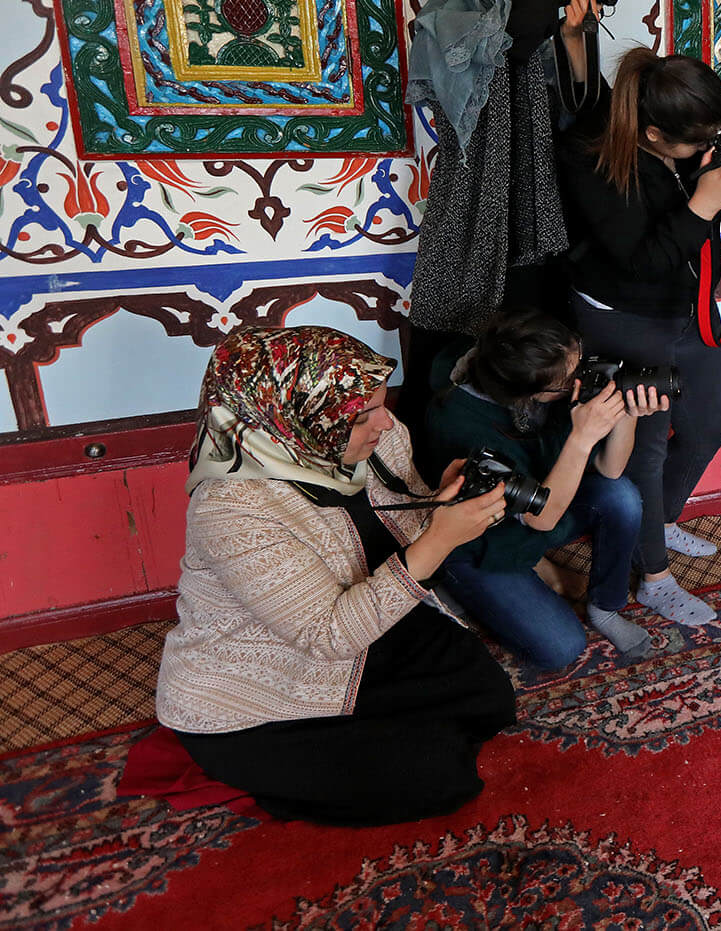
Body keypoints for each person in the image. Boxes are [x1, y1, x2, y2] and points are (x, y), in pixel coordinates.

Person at [155, 327, 516, 826]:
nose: (385, 422)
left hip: (367, 626)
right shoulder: (232, 507)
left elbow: (402, 533)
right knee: (437, 777)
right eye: (363, 415)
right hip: (262, 689)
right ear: (296, 418)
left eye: (382, 405)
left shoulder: (380, 443)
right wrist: (441, 539)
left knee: (490, 701)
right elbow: (327, 636)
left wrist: (443, 502)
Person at [556, 51, 721, 624]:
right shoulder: (591, 156)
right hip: (624, 316)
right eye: (698, 141)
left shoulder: (682, 141)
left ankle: (656, 522)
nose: (710, 146)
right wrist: (702, 201)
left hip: (690, 307)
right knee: (646, 450)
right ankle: (653, 576)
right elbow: (643, 262)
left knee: (709, 427)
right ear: (654, 134)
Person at [401, 0, 609, 426]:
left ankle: (542, 460)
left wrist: (575, 42)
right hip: (474, 220)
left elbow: (590, 117)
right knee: (463, 356)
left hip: (544, 221)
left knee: (541, 361)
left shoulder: (542, 32)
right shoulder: (445, 27)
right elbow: (510, 40)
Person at [425, 312, 665, 671]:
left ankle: (604, 607)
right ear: (530, 394)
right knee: (561, 648)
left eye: (579, 361)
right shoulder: (462, 426)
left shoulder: (533, 367)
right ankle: (458, 586)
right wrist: (582, 438)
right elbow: (541, 519)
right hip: (481, 542)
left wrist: (626, 408)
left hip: (541, 498)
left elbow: (611, 470)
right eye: (568, 380)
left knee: (621, 496)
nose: (580, 378)